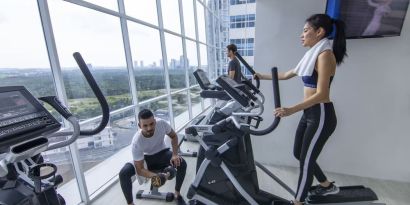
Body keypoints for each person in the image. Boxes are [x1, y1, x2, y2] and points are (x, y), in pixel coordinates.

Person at [254, 14, 347, 205]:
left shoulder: (324, 55)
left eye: (305, 31)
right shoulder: (311, 54)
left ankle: (298, 201)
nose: (301, 35)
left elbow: (322, 94)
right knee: (299, 153)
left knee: (306, 161)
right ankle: (326, 185)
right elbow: (287, 74)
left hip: (321, 113)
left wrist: (290, 110)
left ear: (319, 32)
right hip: (310, 113)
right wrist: (259, 76)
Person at [118, 109, 187, 205]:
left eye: (151, 124)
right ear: (139, 126)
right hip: (146, 159)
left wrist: (175, 154)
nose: (149, 128)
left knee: (182, 163)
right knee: (124, 173)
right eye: (145, 126)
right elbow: (140, 169)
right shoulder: (136, 141)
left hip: (163, 153)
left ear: (155, 121)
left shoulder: (162, 124)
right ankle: (130, 203)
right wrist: (156, 176)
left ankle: (177, 194)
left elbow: (174, 136)